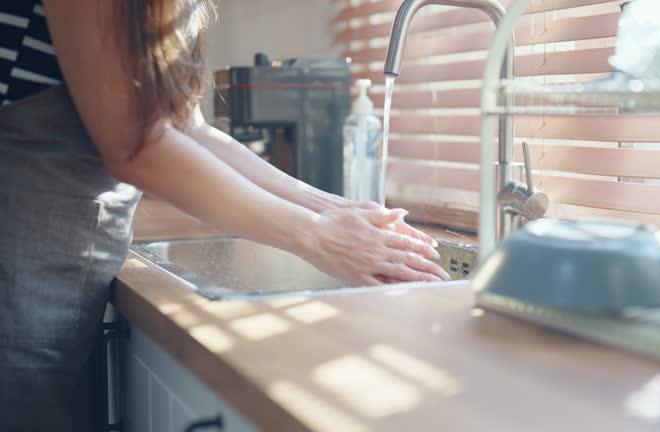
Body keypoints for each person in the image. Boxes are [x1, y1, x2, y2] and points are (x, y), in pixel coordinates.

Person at [0, 0, 450, 430]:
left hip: (59, 271)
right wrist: (320, 236)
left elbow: (187, 128)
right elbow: (137, 145)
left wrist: (332, 207)